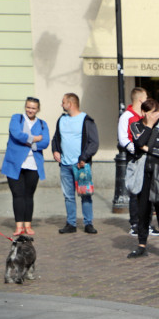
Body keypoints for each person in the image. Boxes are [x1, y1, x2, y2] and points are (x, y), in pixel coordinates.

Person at [126, 99, 159, 260]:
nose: (157, 115)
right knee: (143, 211)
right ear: (144, 113)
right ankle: (141, 245)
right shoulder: (136, 126)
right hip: (143, 175)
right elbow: (138, 141)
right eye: (153, 112)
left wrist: (147, 149)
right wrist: (148, 126)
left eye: (158, 112)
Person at [51, 92, 99, 234]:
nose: (61, 104)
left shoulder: (86, 120)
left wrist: (83, 158)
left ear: (70, 104)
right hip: (65, 165)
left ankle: (88, 223)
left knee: (85, 195)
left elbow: (94, 143)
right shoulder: (62, 119)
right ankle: (71, 224)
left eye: (63, 102)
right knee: (68, 196)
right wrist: (55, 150)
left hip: (81, 165)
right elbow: (56, 138)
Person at [0, 97, 49, 236]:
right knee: (17, 195)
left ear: (38, 109)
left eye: (33, 108)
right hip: (14, 164)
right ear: (25, 107)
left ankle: (28, 225)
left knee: (29, 195)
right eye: (28, 107)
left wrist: (29, 141)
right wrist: (35, 138)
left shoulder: (42, 124)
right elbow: (16, 135)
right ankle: (18, 226)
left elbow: (45, 142)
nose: (30, 110)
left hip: (33, 165)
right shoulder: (17, 119)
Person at [117, 87, 147, 236]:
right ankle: (135, 223)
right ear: (140, 99)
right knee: (135, 190)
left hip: (146, 157)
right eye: (146, 98)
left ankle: (144, 222)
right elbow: (123, 138)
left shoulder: (143, 116)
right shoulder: (127, 116)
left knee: (145, 191)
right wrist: (135, 150)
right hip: (135, 157)